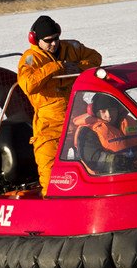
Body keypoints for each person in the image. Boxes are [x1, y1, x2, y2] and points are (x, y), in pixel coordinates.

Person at [17, 15, 102, 193]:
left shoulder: (72, 47)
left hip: (77, 118)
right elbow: (27, 84)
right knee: (49, 175)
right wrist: (55, 67)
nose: (53, 44)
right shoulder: (30, 59)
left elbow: (95, 58)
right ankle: (52, 205)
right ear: (35, 39)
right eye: (48, 41)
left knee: (97, 162)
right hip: (50, 125)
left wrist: (78, 68)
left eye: (56, 38)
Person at [73, 93, 137, 174]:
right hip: (102, 179)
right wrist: (121, 161)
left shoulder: (130, 122)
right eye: (103, 111)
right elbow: (93, 159)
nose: (108, 115)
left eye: (112, 110)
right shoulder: (87, 131)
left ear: (118, 110)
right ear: (96, 113)